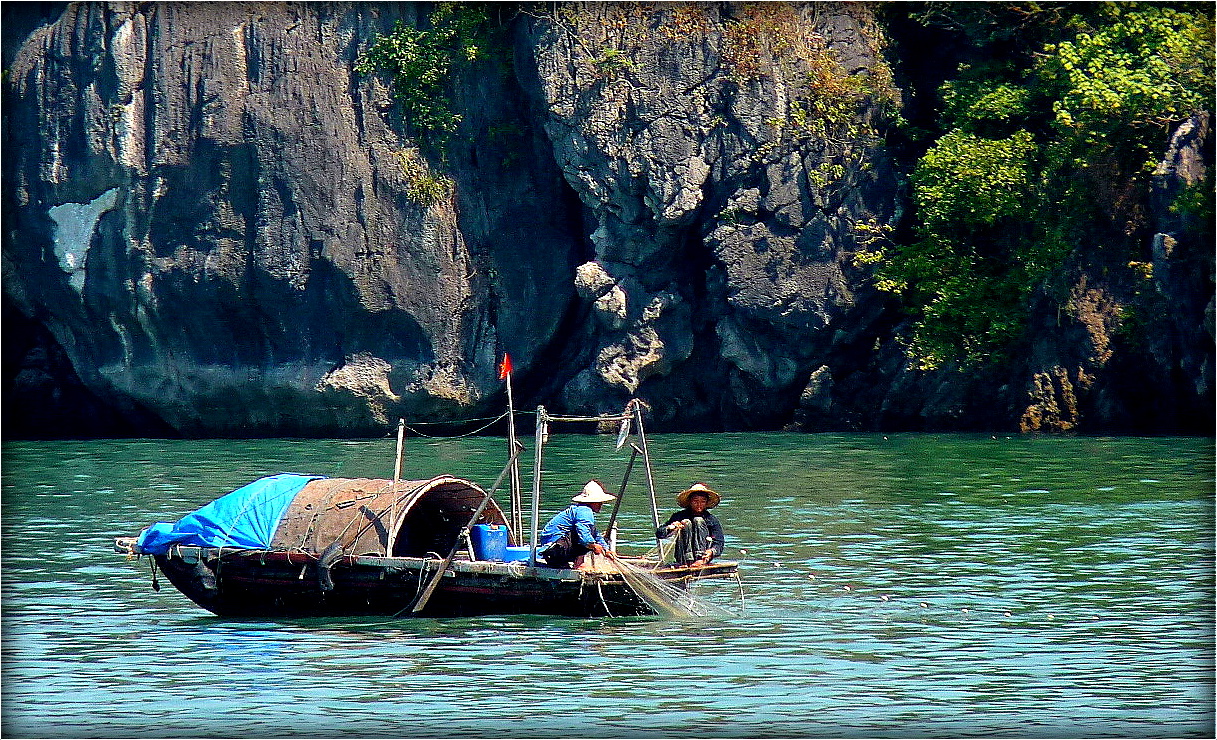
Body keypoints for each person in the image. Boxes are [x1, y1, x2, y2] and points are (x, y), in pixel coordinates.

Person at [537, 480, 616, 569]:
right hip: (555, 549)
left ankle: (567, 562)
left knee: (590, 533)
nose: (601, 504)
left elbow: (595, 535)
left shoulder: (580, 511)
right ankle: (578, 564)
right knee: (584, 538)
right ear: (591, 502)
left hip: (553, 549)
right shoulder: (584, 511)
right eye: (599, 502)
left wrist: (606, 549)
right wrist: (594, 546)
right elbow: (584, 535)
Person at [656, 483, 725, 567]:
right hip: (683, 557)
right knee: (686, 522)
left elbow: (719, 542)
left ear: (706, 503)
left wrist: (711, 551)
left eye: (702, 501)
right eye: (695, 501)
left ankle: (699, 559)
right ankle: (686, 561)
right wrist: (672, 527)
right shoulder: (679, 516)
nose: (699, 505)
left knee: (698, 520)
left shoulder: (711, 519)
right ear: (690, 502)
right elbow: (659, 533)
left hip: (703, 558)